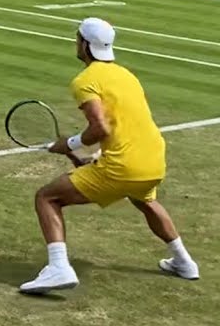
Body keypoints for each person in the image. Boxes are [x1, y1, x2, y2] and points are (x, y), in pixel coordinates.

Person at [20, 18, 198, 294]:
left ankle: (58, 268)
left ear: (85, 45)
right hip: (152, 158)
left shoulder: (85, 81)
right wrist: (96, 155)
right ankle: (184, 262)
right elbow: (127, 123)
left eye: (77, 38)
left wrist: (69, 143)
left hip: (124, 166)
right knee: (145, 201)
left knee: (47, 197)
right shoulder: (127, 75)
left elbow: (100, 127)